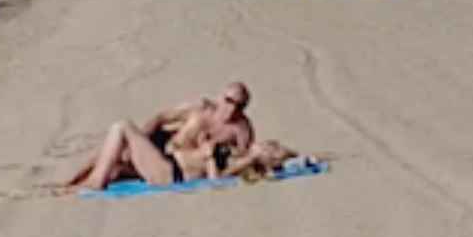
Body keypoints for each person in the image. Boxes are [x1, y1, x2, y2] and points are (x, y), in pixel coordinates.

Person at [55, 81, 297, 188]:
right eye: (229, 100)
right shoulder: (199, 109)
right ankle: (71, 183)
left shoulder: (241, 130)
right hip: (161, 149)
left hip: (175, 167)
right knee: (111, 159)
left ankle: (87, 184)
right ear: (220, 96)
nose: (231, 108)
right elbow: (160, 118)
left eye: (239, 105)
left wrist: (262, 161)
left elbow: (236, 166)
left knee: (119, 134)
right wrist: (143, 140)